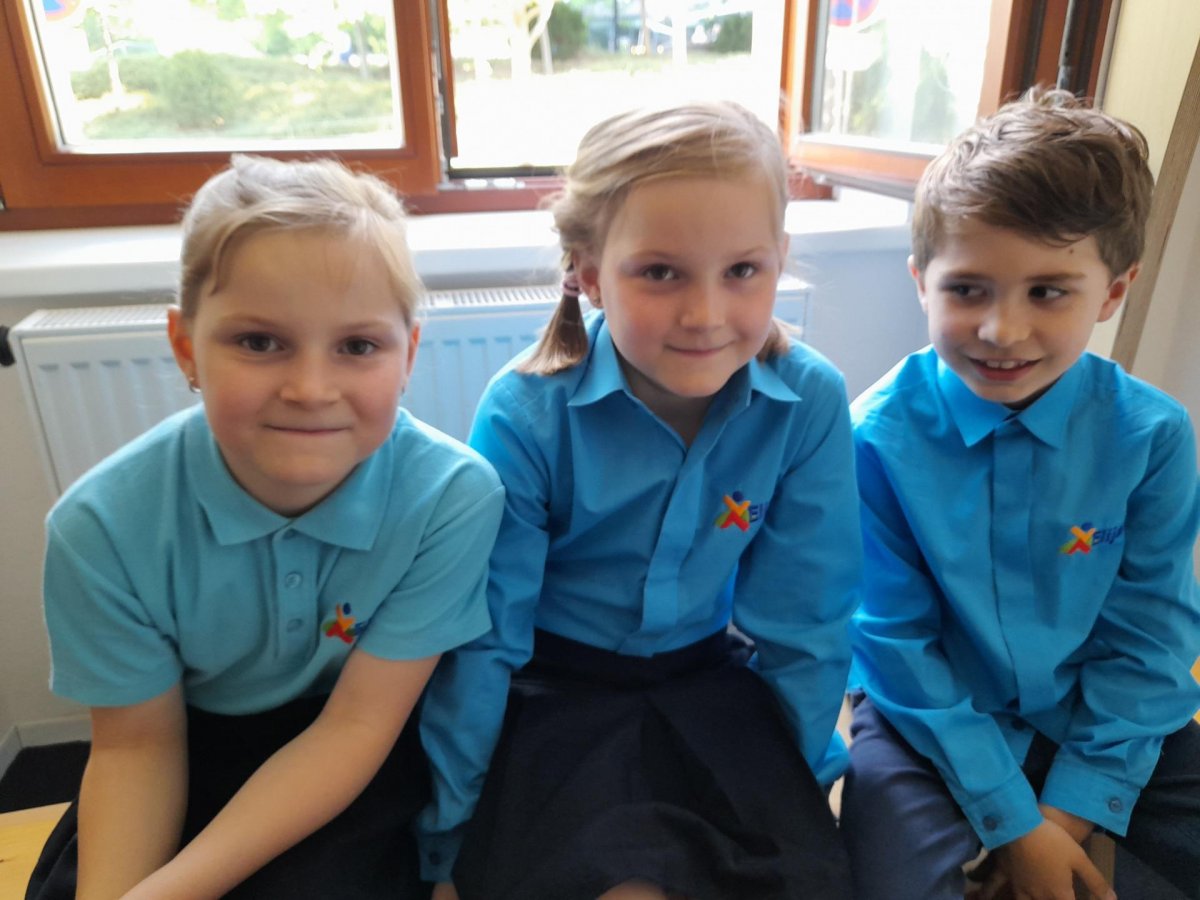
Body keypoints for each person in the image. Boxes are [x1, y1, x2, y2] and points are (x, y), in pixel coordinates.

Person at [415, 100, 862, 900]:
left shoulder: (810, 401)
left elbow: (807, 623)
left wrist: (795, 797)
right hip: (556, 692)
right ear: (589, 272)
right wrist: (450, 836)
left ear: (780, 259)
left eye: (743, 271)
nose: (705, 315)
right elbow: (486, 642)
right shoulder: (526, 412)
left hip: (707, 682)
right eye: (660, 272)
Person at [27, 154, 504, 900]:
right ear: (186, 346)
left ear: (408, 354)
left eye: (357, 346)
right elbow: (136, 749)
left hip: (354, 750)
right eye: (259, 342)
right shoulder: (101, 528)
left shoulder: (451, 498)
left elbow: (357, 728)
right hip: (186, 749)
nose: (310, 389)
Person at [840, 86, 1200, 900]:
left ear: (1113, 292)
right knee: (890, 879)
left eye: (1048, 291)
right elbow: (894, 642)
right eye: (967, 289)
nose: (1002, 331)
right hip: (929, 721)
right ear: (921, 282)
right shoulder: (873, 437)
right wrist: (1012, 822)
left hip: (1102, 713)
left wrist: (1064, 818)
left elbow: (1151, 637)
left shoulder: (1153, 437)